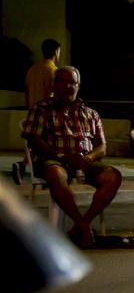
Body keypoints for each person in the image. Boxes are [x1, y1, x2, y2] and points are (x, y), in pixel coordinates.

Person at [21, 67, 122, 248]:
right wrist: (62, 156)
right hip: (54, 159)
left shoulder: (90, 113)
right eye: (63, 82)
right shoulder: (43, 108)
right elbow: (33, 139)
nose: (69, 86)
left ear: (79, 85)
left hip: (85, 161)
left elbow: (102, 146)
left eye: (73, 83)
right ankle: (83, 225)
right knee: (56, 174)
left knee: (113, 176)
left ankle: (82, 223)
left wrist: (90, 157)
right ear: (54, 84)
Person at [13, 39, 61, 184]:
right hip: (46, 115)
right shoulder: (54, 71)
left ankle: (22, 165)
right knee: (48, 146)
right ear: (55, 52)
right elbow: (57, 95)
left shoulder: (32, 69)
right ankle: (45, 173)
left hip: (32, 113)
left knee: (35, 145)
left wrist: (30, 108)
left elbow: (27, 91)